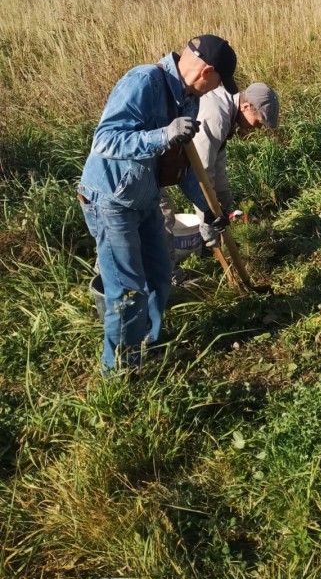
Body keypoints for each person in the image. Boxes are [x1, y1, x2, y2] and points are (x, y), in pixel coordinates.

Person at [77, 35, 237, 373]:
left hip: (146, 197)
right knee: (127, 290)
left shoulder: (188, 100)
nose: (215, 90)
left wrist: (208, 208)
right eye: (218, 83)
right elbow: (105, 140)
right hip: (111, 200)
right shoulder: (144, 81)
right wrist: (162, 135)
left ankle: (147, 343)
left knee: (160, 277)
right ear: (206, 71)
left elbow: (181, 167)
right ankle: (120, 371)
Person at [162, 82, 280, 266]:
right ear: (246, 106)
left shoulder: (228, 113)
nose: (257, 128)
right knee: (162, 219)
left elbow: (217, 165)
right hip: (147, 161)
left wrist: (225, 204)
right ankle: (170, 281)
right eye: (258, 122)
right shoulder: (217, 117)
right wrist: (207, 223)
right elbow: (201, 174)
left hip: (167, 164)